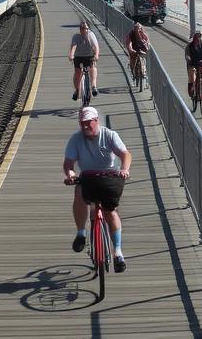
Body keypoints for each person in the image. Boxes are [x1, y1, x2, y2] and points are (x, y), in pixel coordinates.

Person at [63, 107, 133, 273]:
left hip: (108, 177)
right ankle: (81, 233)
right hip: (87, 178)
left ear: (96, 121)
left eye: (89, 123)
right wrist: (70, 174)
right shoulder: (76, 139)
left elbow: (125, 154)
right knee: (79, 192)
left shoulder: (109, 135)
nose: (86, 126)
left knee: (111, 212)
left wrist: (124, 169)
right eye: (83, 124)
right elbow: (68, 163)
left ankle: (118, 253)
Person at [69, 20, 100, 101]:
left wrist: (96, 55)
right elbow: (74, 46)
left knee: (92, 67)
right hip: (78, 56)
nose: (83, 29)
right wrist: (71, 54)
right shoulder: (76, 36)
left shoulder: (91, 35)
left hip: (89, 56)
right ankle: (77, 90)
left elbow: (95, 46)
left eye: (85, 28)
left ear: (88, 28)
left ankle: (93, 87)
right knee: (77, 72)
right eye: (81, 28)